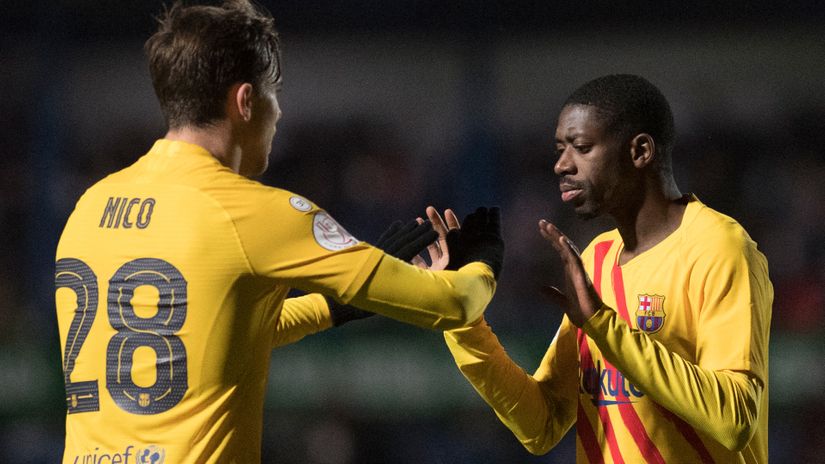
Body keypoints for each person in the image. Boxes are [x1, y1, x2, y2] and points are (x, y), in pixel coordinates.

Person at [53, 1, 503, 463]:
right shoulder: (256, 211)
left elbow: (206, 339)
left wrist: (334, 306)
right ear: (245, 101)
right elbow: (454, 303)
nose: (279, 112)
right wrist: (484, 261)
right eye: (275, 94)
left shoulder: (88, 207)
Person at [439, 74, 773, 463]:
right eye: (560, 149)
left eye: (581, 147)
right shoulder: (597, 259)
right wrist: (462, 321)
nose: (561, 165)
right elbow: (542, 424)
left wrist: (603, 325)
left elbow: (734, 419)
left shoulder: (719, 247)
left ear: (640, 151)